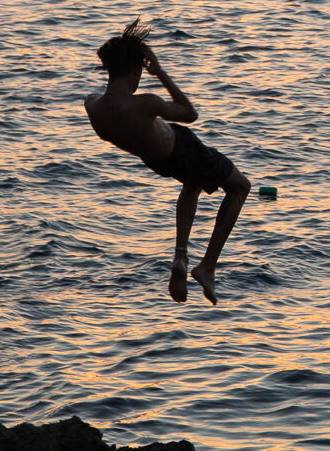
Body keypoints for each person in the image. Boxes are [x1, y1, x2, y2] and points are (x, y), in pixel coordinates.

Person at [84, 24, 251, 304]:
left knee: (192, 182)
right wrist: (159, 71)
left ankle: (181, 257)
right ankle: (207, 267)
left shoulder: (93, 107)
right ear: (136, 71)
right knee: (240, 188)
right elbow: (190, 113)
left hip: (158, 162)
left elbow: (103, 101)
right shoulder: (145, 103)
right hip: (184, 147)